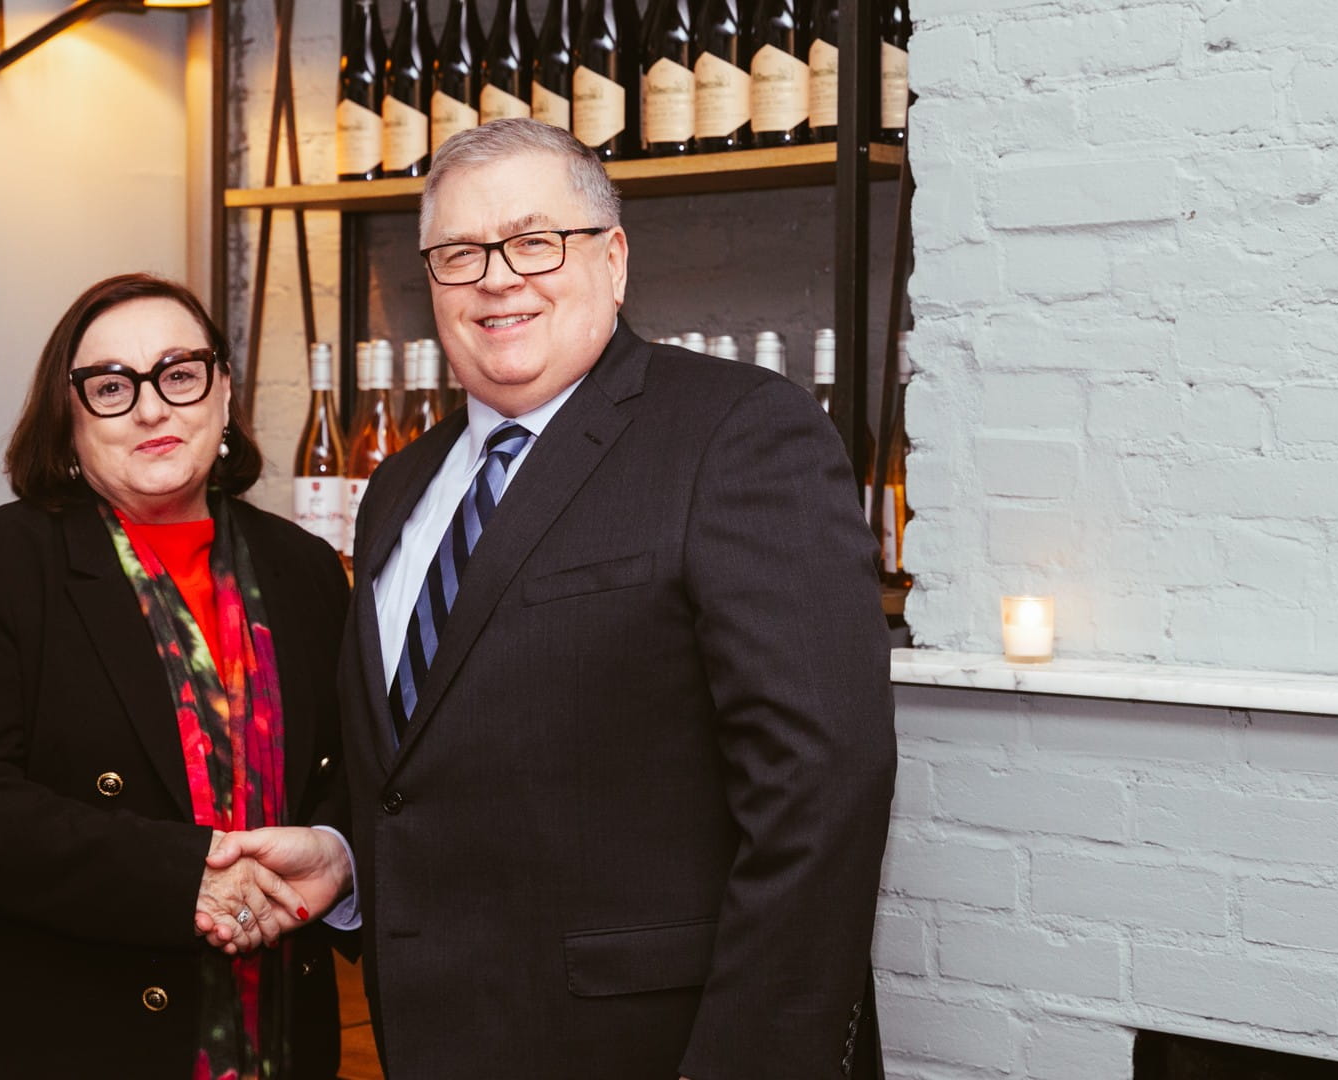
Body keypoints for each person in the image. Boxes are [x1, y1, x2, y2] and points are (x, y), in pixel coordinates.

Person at [212, 118, 896, 1078]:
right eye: (459, 252)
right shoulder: (400, 491)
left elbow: (821, 796)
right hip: (435, 1041)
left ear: (613, 260)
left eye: (535, 240)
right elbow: (430, 769)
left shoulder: (737, 434)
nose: (497, 276)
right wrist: (350, 858)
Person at [0, 273, 355, 1079]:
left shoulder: (305, 568)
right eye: (110, 386)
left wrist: (336, 853)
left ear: (222, 391)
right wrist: (181, 880)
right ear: (68, 421)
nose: (151, 407)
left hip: (278, 1034)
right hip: (45, 1037)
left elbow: (361, 767)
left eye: (178, 373)